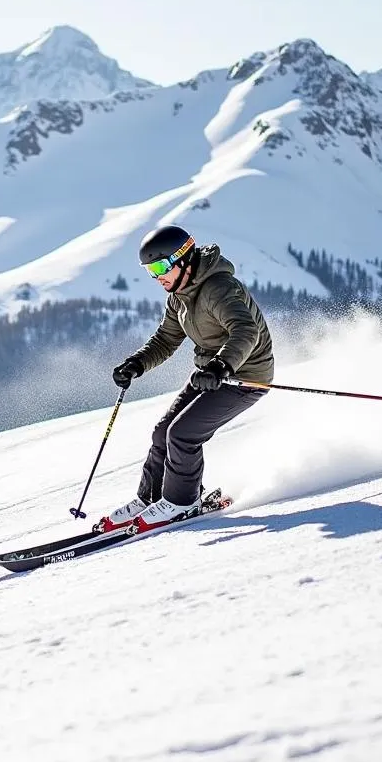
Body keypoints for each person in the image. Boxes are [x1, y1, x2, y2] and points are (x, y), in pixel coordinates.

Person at [100, 225, 275, 533]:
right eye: (149, 270)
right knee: (162, 432)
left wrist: (222, 366)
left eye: (159, 267)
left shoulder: (218, 287)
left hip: (245, 375)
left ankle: (182, 502)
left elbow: (246, 331)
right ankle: (151, 499)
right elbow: (166, 340)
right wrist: (136, 364)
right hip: (211, 373)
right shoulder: (179, 296)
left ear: (183, 259)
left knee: (182, 434)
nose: (157, 277)